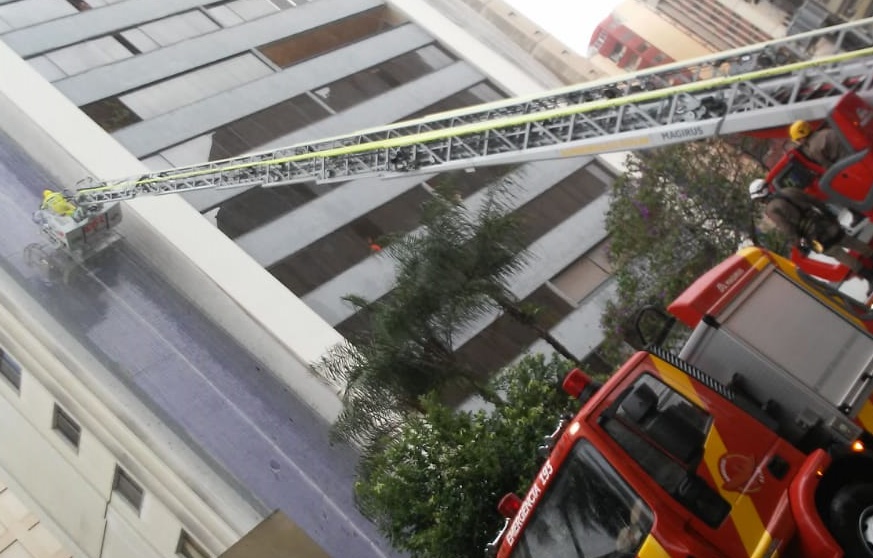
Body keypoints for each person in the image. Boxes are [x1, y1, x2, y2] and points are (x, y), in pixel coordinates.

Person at [749, 179, 873, 284]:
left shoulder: (771, 209)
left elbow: (788, 229)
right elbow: (814, 200)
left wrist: (798, 245)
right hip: (824, 222)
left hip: (813, 236)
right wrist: (829, 215)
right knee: (850, 242)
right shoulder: (788, 191)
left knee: (840, 255)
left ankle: (870, 276)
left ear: (760, 196)